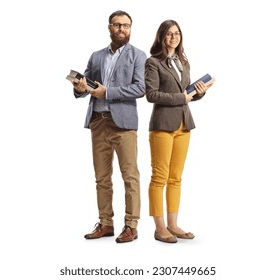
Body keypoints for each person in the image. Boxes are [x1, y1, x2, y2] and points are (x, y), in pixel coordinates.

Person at [71, 10, 146, 243]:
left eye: (126, 25)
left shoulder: (139, 56)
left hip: (123, 124)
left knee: (130, 176)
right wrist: (80, 88)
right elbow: (84, 84)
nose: (122, 29)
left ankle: (131, 226)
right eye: (117, 25)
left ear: (130, 28)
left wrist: (109, 92)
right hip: (98, 122)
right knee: (102, 178)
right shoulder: (96, 56)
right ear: (109, 27)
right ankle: (105, 223)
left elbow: (140, 89)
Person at [145, 20, 215, 243]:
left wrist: (199, 92)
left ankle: (173, 225)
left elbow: (186, 93)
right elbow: (151, 95)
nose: (174, 37)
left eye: (177, 33)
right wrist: (182, 98)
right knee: (159, 178)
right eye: (169, 34)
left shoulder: (183, 61)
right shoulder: (153, 62)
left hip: (184, 125)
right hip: (163, 126)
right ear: (161, 37)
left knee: (175, 178)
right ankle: (160, 228)